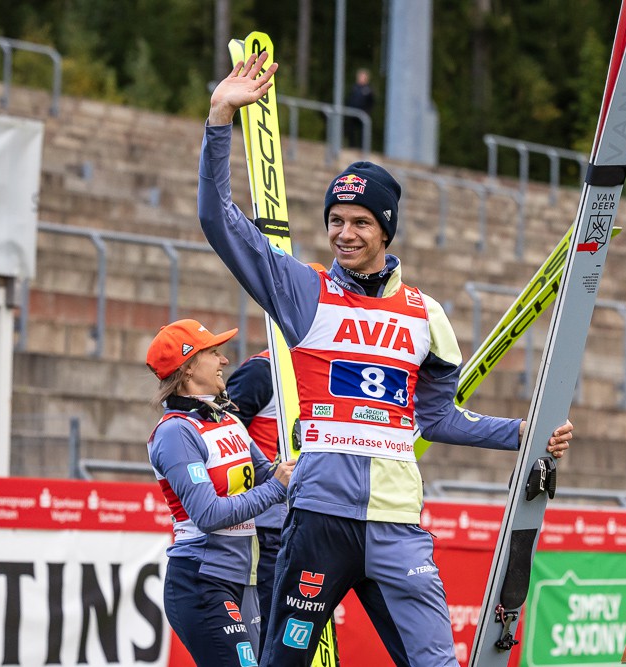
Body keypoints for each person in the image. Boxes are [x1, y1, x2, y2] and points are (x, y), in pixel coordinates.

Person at [199, 52, 574, 667]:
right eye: (336, 220)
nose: (344, 233)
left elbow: (439, 418)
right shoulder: (303, 291)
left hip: (398, 528)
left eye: (360, 222)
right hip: (318, 524)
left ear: (386, 229)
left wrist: (522, 434)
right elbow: (218, 219)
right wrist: (220, 119)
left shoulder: (427, 315)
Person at [145, 318, 296, 666]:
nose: (224, 360)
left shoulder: (227, 419)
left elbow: (267, 473)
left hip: (244, 578)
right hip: (202, 580)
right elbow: (209, 514)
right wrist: (277, 487)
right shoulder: (175, 432)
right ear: (187, 369)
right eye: (213, 353)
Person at [224, 349, 286, 657]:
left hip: (302, 521)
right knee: (265, 636)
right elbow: (223, 438)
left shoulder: (320, 366)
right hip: (263, 528)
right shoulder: (262, 371)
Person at [344, 67, 375, 149]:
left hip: (362, 114)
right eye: (359, 76)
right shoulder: (354, 87)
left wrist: (367, 112)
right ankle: (352, 147)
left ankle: (363, 149)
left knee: (363, 133)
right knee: (351, 131)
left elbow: (371, 103)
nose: (360, 78)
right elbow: (349, 99)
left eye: (362, 77)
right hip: (352, 113)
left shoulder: (369, 90)